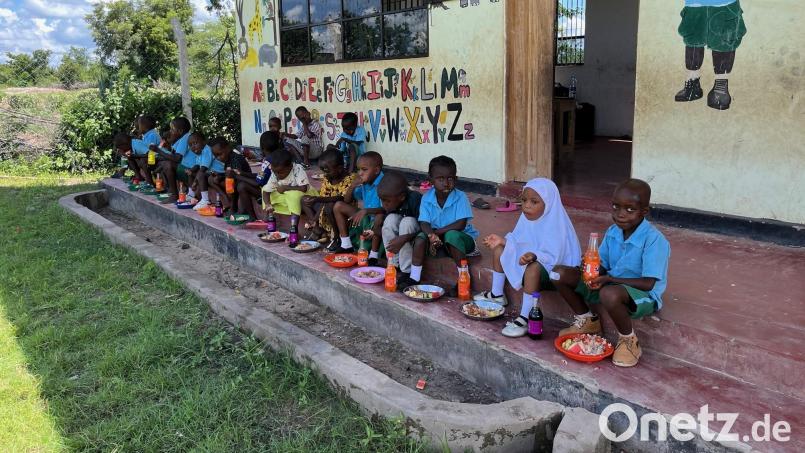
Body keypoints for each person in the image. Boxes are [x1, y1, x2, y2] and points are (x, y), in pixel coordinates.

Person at [551, 179, 671, 367]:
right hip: (612, 285)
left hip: (643, 294)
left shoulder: (654, 240)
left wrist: (609, 279)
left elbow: (649, 283)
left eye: (629, 209)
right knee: (558, 274)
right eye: (616, 207)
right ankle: (587, 319)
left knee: (609, 292)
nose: (620, 215)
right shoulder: (613, 231)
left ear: (644, 211)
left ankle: (629, 340)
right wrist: (590, 267)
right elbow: (603, 265)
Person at [476, 178, 581, 338]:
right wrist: (503, 241)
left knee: (533, 267)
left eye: (534, 202)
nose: (527, 206)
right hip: (527, 261)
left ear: (548, 203)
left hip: (552, 273)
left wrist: (535, 255)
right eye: (524, 200)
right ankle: (497, 295)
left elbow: (554, 256)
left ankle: (525, 317)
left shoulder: (556, 224)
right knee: (499, 249)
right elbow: (519, 241)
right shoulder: (526, 218)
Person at [409, 156, 479, 293]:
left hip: (462, 241)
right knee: (420, 239)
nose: (446, 183)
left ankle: (464, 279)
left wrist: (437, 233)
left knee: (452, 235)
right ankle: (414, 277)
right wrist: (430, 235)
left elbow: (461, 224)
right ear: (430, 180)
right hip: (439, 241)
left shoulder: (460, 197)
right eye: (440, 179)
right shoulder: (426, 198)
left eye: (450, 179)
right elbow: (424, 222)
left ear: (456, 179)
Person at [674, 0, 746, 110]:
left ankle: (721, 86)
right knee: (693, 38)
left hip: (725, 4)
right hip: (695, 4)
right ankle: (692, 83)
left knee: (725, 39)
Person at [328, 152, 385, 260]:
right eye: (359, 169)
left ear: (377, 170)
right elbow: (347, 200)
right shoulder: (365, 182)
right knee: (339, 205)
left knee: (379, 217)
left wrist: (366, 211)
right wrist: (352, 186)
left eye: (364, 169)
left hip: (380, 220)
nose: (360, 173)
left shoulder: (384, 183)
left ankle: (374, 254)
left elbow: (385, 210)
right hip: (366, 217)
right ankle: (346, 245)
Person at [300, 148, 356, 244]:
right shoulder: (327, 178)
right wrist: (315, 219)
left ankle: (336, 237)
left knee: (330, 205)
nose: (324, 174)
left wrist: (318, 199)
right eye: (323, 170)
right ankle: (317, 229)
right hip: (326, 210)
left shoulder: (350, 179)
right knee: (304, 199)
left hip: (342, 214)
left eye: (327, 170)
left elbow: (341, 198)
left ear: (339, 169)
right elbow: (324, 199)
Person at [377, 171, 422, 289]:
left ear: (401, 197)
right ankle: (393, 265)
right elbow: (389, 225)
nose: (384, 205)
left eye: (387, 201)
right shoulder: (392, 199)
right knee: (390, 220)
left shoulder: (415, 199)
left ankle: (407, 271)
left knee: (407, 222)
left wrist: (405, 238)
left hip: (416, 236)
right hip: (401, 235)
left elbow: (425, 228)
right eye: (382, 200)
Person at [261, 148, 318, 217]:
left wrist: (286, 188)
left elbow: (304, 188)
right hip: (287, 196)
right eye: (274, 172)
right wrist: (268, 204)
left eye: (280, 173)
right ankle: (277, 210)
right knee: (264, 188)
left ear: (290, 167)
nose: (277, 175)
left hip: (302, 194)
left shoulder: (297, 169)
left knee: (294, 195)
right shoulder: (275, 173)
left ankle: (294, 221)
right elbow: (266, 191)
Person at [208, 137, 253, 216]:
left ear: (228, 148)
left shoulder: (236, 158)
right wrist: (219, 176)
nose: (218, 158)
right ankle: (225, 197)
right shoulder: (227, 159)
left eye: (220, 154)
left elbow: (237, 176)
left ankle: (233, 206)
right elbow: (229, 174)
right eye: (215, 156)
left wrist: (225, 178)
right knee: (211, 179)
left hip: (242, 183)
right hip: (233, 183)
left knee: (230, 183)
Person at [154, 117, 192, 202]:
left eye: (172, 129)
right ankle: (170, 190)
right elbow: (172, 155)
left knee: (168, 165)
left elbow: (177, 158)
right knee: (164, 163)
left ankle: (174, 194)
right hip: (186, 168)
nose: (170, 131)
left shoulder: (186, 138)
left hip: (190, 170)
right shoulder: (183, 138)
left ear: (180, 131)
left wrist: (158, 150)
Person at [184, 132, 215, 211]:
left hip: (215, 173)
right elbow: (198, 165)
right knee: (191, 173)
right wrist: (191, 170)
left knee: (200, 175)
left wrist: (195, 182)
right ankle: (191, 195)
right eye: (190, 145)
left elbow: (202, 169)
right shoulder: (200, 152)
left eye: (195, 143)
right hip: (208, 173)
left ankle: (205, 200)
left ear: (204, 142)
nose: (193, 146)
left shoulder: (206, 150)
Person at [129, 115, 160, 184]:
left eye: (139, 125)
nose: (137, 128)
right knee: (130, 157)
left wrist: (138, 157)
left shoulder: (152, 135)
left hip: (155, 158)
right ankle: (139, 176)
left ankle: (149, 182)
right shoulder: (147, 135)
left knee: (142, 160)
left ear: (144, 126)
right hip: (149, 156)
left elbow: (151, 152)